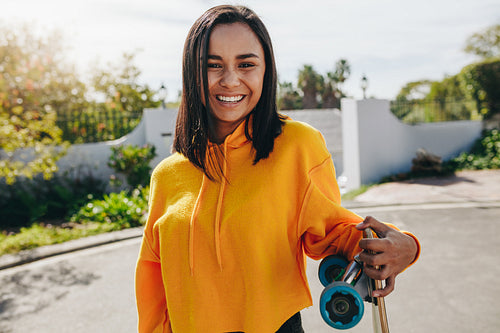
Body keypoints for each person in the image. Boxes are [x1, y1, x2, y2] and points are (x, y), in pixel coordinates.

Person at [135, 5, 420, 333]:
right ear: (191, 72)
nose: (230, 80)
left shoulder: (297, 145)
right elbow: (153, 280)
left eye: (246, 64)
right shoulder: (168, 174)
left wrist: (406, 246)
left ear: (266, 70)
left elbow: (336, 233)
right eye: (212, 65)